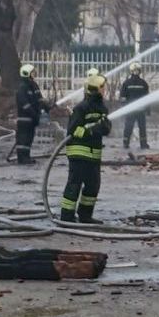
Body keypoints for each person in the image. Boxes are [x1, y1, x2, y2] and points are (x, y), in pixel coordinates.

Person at [60, 74, 111, 224]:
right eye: (103, 87)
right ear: (96, 89)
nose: (105, 90)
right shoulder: (81, 108)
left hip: (93, 154)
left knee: (93, 185)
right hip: (79, 153)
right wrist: (89, 130)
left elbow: (107, 128)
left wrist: (100, 127)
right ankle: (67, 216)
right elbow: (73, 130)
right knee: (74, 184)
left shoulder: (102, 108)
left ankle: (85, 215)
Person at [13, 64, 49, 165]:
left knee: (29, 139)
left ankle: (27, 157)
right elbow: (25, 105)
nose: (35, 74)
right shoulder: (22, 88)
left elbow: (40, 100)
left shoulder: (34, 86)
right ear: (27, 74)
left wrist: (46, 107)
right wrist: (35, 114)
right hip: (24, 120)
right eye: (33, 72)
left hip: (32, 119)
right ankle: (22, 158)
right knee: (23, 139)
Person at [120, 62, 150, 149]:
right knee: (142, 127)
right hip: (140, 110)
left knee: (128, 126)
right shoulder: (143, 83)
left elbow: (122, 98)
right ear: (140, 71)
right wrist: (148, 110)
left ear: (131, 71)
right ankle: (143, 144)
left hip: (130, 110)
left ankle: (126, 143)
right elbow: (147, 98)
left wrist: (124, 109)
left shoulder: (126, 83)